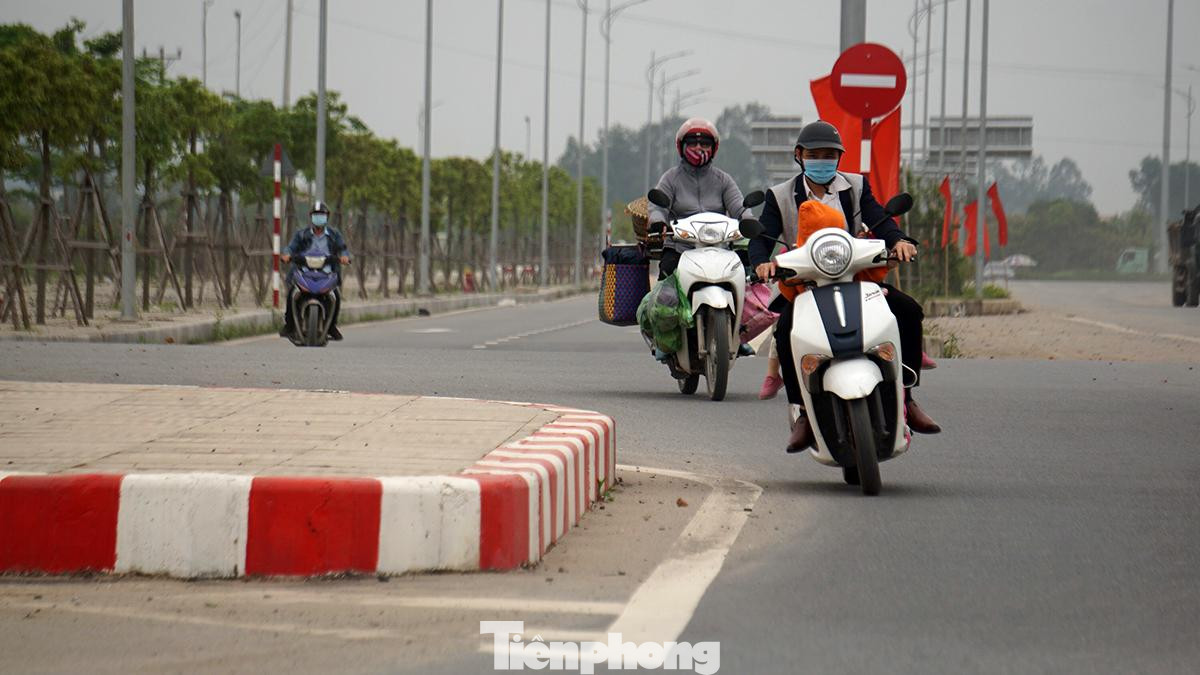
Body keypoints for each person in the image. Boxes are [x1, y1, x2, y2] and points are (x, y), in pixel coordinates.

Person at [748, 120, 941, 452]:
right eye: (815, 154)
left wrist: (898, 242)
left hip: (854, 275)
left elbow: (880, 220)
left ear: (839, 158)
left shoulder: (855, 186)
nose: (822, 161)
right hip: (805, 282)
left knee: (908, 312)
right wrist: (761, 264)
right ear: (799, 155)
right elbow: (762, 236)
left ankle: (907, 399)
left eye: (830, 155)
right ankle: (803, 413)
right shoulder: (779, 196)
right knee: (786, 333)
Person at [647, 118, 751, 280]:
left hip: (720, 249)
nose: (698, 148)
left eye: (704, 144)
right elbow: (658, 208)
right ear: (682, 147)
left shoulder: (723, 180)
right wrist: (657, 222)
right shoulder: (670, 178)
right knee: (666, 294)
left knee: (747, 279)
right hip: (679, 248)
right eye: (692, 143)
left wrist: (749, 221)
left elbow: (740, 208)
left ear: (713, 148)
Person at [279, 201, 352, 340]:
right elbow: (290, 247)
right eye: (316, 215)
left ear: (327, 217)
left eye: (322, 215)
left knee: (335, 295)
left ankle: (331, 326)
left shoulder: (334, 235)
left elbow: (343, 249)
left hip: (327, 272)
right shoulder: (301, 234)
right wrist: (287, 254)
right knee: (292, 293)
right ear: (311, 217)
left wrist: (344, 257)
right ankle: (289, 324)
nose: (319, 217)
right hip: (305, 270)